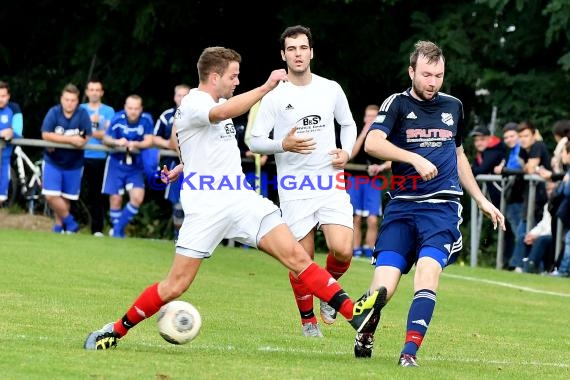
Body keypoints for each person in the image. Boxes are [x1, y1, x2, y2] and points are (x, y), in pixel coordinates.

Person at [83, 46, 385, 350]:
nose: (237, 81)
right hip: (206, 209)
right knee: (176, 285)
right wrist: (266, 87)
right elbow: (220, 114)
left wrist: (184, 167)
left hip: (241, 201)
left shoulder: (219, 102)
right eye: (233, 76)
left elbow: (206, 146)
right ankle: (115, 330)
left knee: (297, 257)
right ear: (215, 77)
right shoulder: (195, 102)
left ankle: (354, 314)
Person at [360, 40, 505, 366]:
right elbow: (372, 141)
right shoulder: (396, 104)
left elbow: (459, 154)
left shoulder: (453, 106)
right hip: (401, 206)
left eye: (438, 75)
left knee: (427, 273)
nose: (432, 82)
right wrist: (412, 157)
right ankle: (366, 329)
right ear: (412, 71)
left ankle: (408, 354)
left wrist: (480, 198)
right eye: (426, 74)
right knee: (385, 286)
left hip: (441, 208)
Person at [248, 25, 357, 337]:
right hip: (294, 189)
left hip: (330, 183)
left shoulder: (331, 89)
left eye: (303, 48)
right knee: (302, 260)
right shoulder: (274, 97)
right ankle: (308, 322)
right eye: (291, 49)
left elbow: (347, 124)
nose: (298, 54)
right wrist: (283, 144)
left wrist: (346, 151)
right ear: (283, 55)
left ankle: (329, 295)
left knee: (343, 250)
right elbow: (256, 141)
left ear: (312, 52)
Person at [41, 83, 92, 233]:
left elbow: (86, 135)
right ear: (61, 99)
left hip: (74, 163)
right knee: (51, 196)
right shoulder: (54, 112)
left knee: (65, 198)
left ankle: (59, 228)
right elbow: (46, 134)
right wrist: (69, 140)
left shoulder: (82, 114)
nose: (69, 103)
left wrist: (79, 140)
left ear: (77, 101)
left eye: (73, 100)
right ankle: (71, 223)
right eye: (66, 99)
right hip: (53, 160)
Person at [102, 94, 154, 238]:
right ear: (125, 107)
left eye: (136, 108)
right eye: (130, 108)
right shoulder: (118, 118)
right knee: (116, 199)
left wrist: (136, 144)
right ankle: (118, 234)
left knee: (137, 198)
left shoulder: (146, 119)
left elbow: (149, 141)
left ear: (141, 109)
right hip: (116, 163)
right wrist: (117, 142)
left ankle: (117, 229)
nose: (133, 111)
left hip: (135, 165)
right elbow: (106, 138)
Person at [347, 104, 390, 258]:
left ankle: (369, 249)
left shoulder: (384, 136)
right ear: (364, 118)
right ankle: (355, 250)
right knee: (355, 218)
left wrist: (381, 167)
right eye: (368, 116)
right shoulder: (355, 134)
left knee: (372, 219)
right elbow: (350, 154)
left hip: (374, 182)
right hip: (355, 180)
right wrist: (364, 132)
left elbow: (392, 159)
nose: (371, 119)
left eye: (374, 117)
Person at [508, 121, 551, 271]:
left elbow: (530, 168)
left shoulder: (538, 145)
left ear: (534, 135)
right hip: (531, 196)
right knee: (524, 232)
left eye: (526, 135)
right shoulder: (524, 149)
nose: (523, 139)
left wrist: (531, 167)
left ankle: (522, 266)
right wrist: (530, 167)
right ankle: (525, 266)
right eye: (521, 136)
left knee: (526, 233)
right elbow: (525, 167)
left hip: (541, 197)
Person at [153, 84, 191, 239]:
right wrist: (168, 144)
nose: (181, 99)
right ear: (174, 97)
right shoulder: (166, 116)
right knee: (178, 203)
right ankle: (178, 236)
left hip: (195, 163)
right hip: (175, 164)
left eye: (185, 95)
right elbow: (154, 137)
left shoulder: (196, 114)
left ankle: (191, 237)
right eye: (179, 95)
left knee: (192, 203)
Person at [80, 79, 116, 236]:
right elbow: (75, 131)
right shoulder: (79, 108)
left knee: (97, 194)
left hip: (99, 157)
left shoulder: (109, 111)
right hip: (78, 155)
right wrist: (96, 131)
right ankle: (71, 226)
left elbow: (109, 135)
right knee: (75, 191)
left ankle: (97, 229)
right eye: (91, 89)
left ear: (101, 93)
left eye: (97, 90)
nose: (94, 92)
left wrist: (88, 130)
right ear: (87, 92)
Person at [469, 125, 505, 208]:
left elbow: (481, 170)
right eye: (476, 140)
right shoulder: (482, 153)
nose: (478, 143)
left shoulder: (494, 151)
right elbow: (475, 168)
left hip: (508, 199)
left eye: (482, 139)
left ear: (490, 138)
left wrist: (471, 168)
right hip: (500, 197)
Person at [0, 81, 23, 207]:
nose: (0, 99)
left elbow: (19, 132)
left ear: (8, 96)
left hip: (4, 162)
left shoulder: (14, 108)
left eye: (3, 96)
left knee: (1, 198)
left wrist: (11, 132)